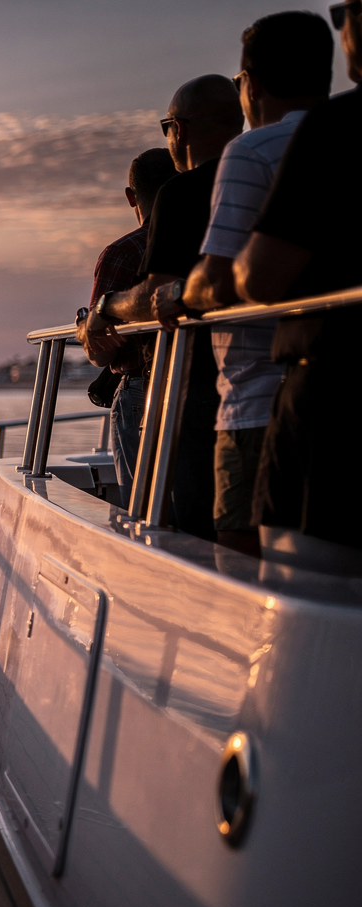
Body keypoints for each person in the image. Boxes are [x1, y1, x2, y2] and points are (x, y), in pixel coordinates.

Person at [179, 12, 333, 557]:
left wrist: (179, 295)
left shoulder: (253, 151)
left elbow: (223, 279)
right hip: (337, 388)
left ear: (251, 84)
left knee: (244, 562)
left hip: (258, 398)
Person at [82, 75, 243, 539]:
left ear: (182, 130)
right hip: (260, 378)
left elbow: (155, 298)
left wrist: (104, 311)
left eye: (166, 125)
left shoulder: (177, 202)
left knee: (159, 518)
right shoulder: (271, 176)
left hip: (180, 387)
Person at [235, 0, 362, 574]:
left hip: (336, 412)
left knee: (302, 602)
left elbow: (261, 276)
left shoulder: (336, 130)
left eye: (346, 11)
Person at [79, 148, 178, 498]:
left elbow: (100, 355)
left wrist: (88, 323)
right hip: (202, 386)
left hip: (141, 389)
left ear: (130, 197)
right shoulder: (211, 243)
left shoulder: (122, 253)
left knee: (143, 508)